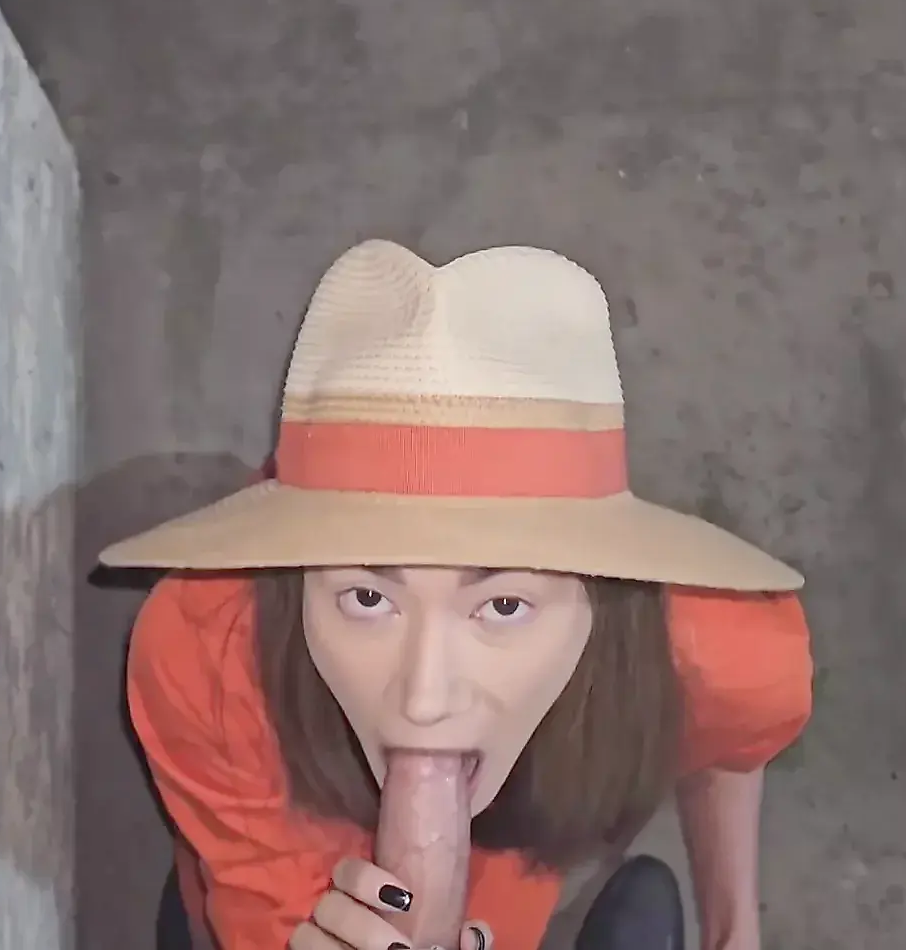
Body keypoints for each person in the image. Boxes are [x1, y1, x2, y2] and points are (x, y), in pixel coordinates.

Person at [103, 242, 814, 950]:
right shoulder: (207, 650)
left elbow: (726, 741)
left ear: (598, 602)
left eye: (502, 606)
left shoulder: (725, 651)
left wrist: (733, 931)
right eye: (367, 598)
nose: (423, 700)